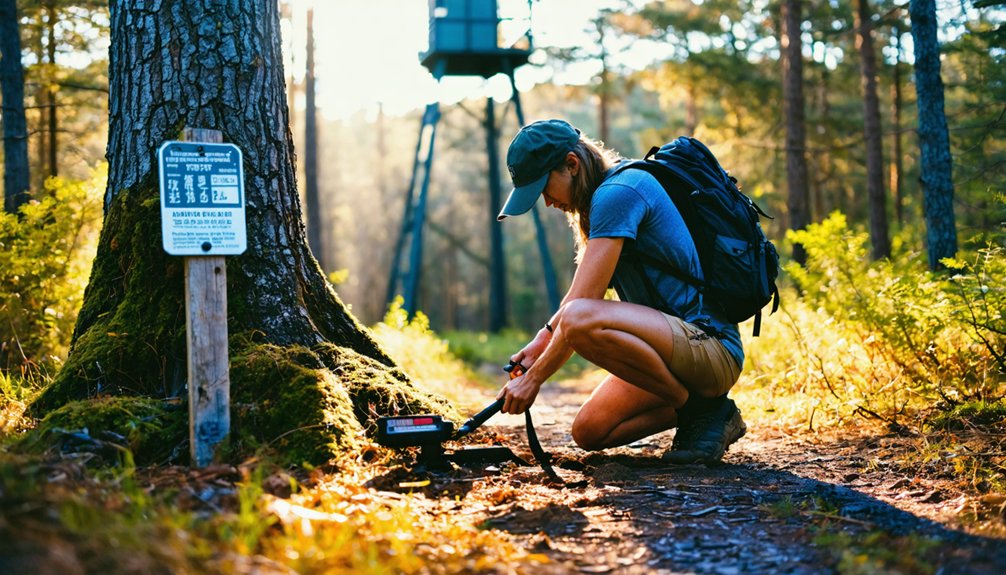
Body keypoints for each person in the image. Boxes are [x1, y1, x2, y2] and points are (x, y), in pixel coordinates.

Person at [495, 119, 746, 464]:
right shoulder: (603, 199)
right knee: (591, 430)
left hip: (709, 345)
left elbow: (581, 310)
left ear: (572, 164)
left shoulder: (619, 192)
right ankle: (710, 411)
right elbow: (579, 299)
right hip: (674, 347)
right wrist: (540, 343)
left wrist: (533, 380)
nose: (547, 202)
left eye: (544, 188)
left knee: (581, 320)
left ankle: (701, 411)